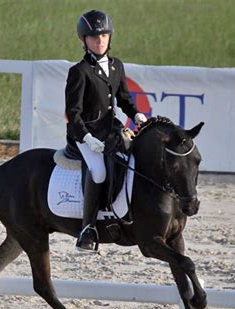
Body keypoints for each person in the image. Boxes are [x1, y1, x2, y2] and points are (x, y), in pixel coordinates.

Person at [65, 9, 147, 252]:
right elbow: (73, 113)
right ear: (84, 41)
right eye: (93, 37)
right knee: (99, 171)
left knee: (133, 158)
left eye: (103, 36)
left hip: (111, 130)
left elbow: (123, 99)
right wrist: (87, 138)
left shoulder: (116, 66)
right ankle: (87, 229)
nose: (99, 40)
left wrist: (137, 115)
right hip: (85, 134)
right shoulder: (79, 72)